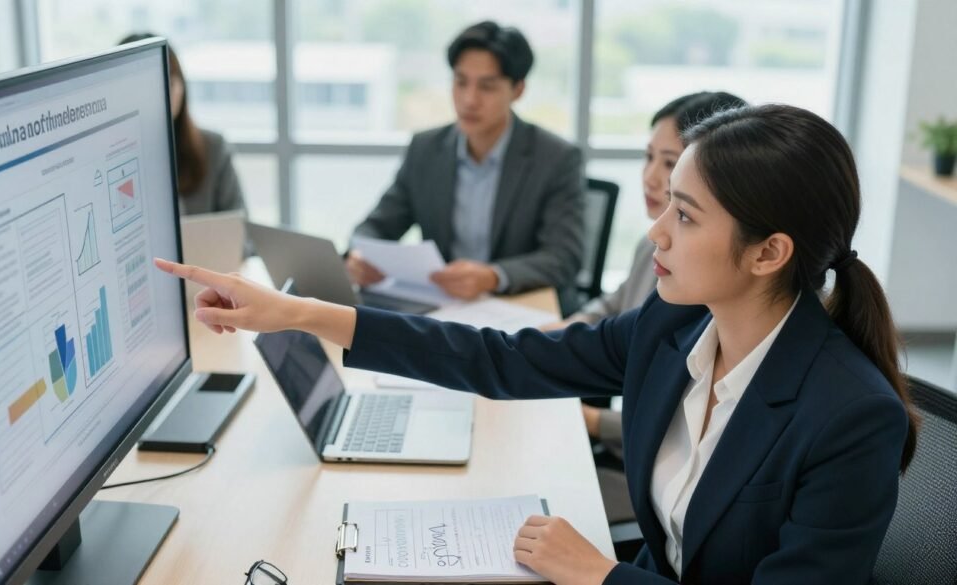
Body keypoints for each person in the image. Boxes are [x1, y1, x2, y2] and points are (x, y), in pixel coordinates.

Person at [155, 104, 918, 584]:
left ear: (768, 252)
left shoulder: (849, 417)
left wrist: (599, 573)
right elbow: (503, 359)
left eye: (685, 216)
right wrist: (301, 314)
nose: (655, 231)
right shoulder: (674, 325)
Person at [546, 91, 748, 525]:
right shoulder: (653, 243)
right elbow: (615, 304)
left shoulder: (713, 291)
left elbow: (678, 428)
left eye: (671, 163)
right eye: (649, 158)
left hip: (647, 482)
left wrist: (596, 422)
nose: (652, 178)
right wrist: (572, 325)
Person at [345, 21, 585, 308]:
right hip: (445, 308)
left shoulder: (556, 158)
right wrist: (359, 255)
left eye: (487, 87)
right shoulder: (426, 149)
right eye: (460, 82)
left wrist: (493, 276)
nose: (469, 100)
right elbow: (375, 227)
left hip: (518, 309)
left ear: (518, 89)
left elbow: (564, 257)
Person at [120, 33, 246, 217]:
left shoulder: (213, 149)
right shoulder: (118, 163)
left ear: (182, 87)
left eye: (167, 84)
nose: (156, 98)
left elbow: (243, 235)